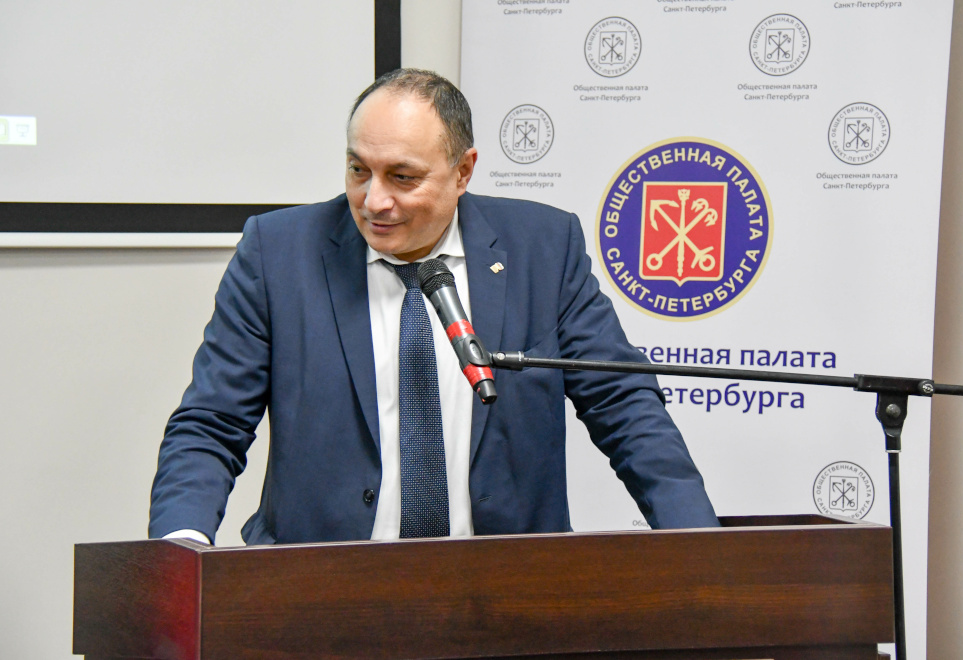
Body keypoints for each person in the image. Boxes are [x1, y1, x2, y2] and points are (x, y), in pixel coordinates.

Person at [149, 69, 719, 545]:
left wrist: (698, 544)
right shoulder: (277, 254)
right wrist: (179, 551)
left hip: (505, 593)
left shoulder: (543, 249)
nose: (373, 200)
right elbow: (212, 423)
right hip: (318, 590)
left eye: (402, 177)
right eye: (358, 170)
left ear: (463, 171)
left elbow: (623, 404)